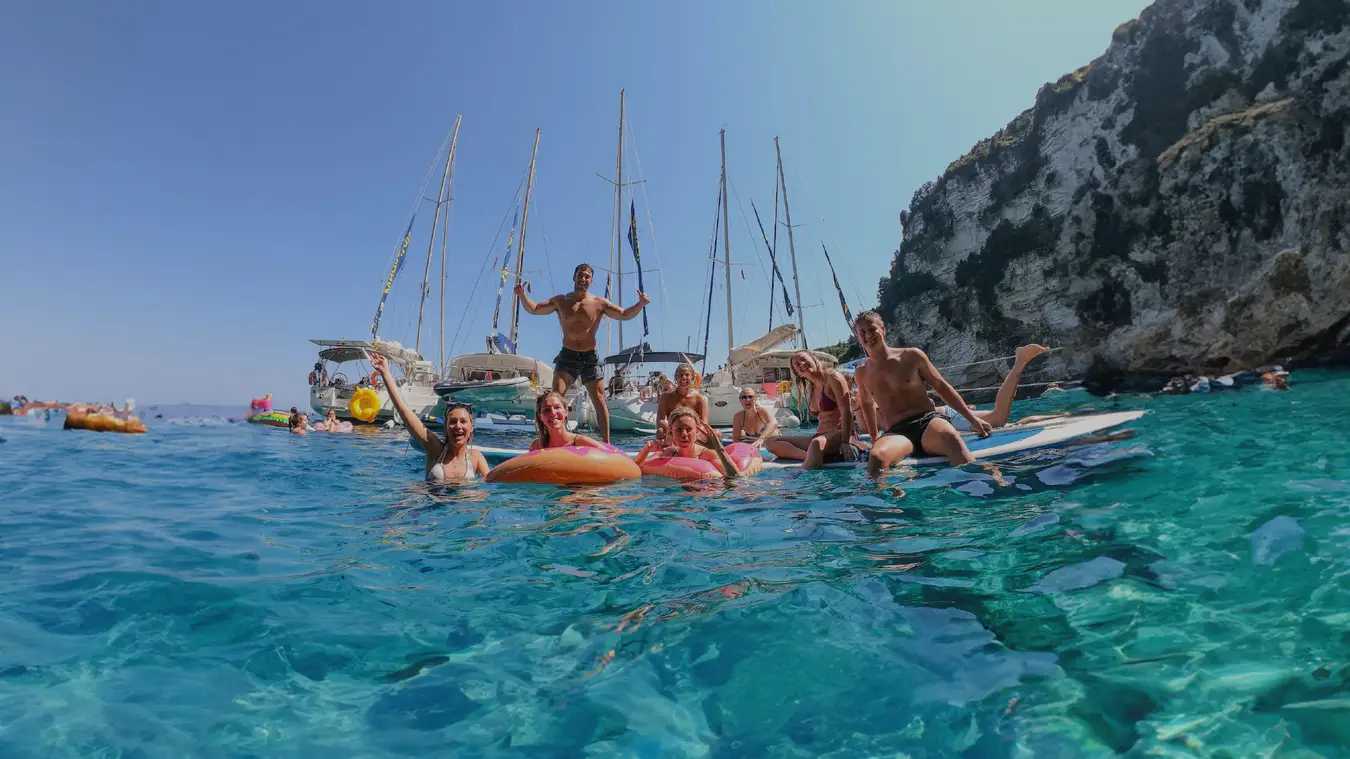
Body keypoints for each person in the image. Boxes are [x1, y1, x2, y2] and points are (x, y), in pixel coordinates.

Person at [515, 263, 650, 443]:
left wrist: (640, 304)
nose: (583, 279)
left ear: (591, 280)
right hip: (567, 356)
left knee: (600, 400)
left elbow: (625, 314)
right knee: (554, 398)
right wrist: (522, 295)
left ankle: (607, 444)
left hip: (590, 358)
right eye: (580, 275)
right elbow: (534, 309)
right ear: (574, 277)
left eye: (587, 276)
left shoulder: (599, 303)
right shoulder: (561, 301)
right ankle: (551, 441)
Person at [852, 311, 991, 475]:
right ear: (858, 338)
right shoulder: (861, 372)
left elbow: (942, 388)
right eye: (862, 332)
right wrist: (875, 437)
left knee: (950, 437)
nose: (868, 335)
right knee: (876, 457)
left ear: (883, 329)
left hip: (928, 422)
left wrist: (972, 419)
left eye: (872, 329)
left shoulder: (911, 356)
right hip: (897, 432)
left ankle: (985, 485)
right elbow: (866, 404)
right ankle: (885, 499)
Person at [371, 353, 490, 482]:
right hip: (431, 500)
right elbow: (404, 412)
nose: (458, 426)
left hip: (466, 501)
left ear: (471, 427)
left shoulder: (476, 458)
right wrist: (385, 372)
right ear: (446, 426)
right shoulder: (434, 448)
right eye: (453, 421)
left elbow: (491, 485)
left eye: (463, 421)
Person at [764, 351, 857, 469]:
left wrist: (845, 442)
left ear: (814, 359)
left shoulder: (832, 377)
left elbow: (846, 410)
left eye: (803, 359)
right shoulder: (810, 387)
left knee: (816, 444)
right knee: (770, 442)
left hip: (840, 434)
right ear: (797, 373)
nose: (801, 364)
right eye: (797, 364)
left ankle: (804, 478)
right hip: (820, 436)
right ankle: (808, 457)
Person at [934, 344, 1053, 430]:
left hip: (945, 417)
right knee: (1007, 426)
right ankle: (1061, 418)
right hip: (945, 416)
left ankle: (1021, 361)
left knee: (998, 417)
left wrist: (963, 410)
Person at [635, 406, 743, 477]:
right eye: (679, 430)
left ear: (697, 431)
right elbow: (634, 469)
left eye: (689, 429)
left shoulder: (708, 455)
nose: (684, 434)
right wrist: (646, 449)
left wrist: (719, 448)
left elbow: (735, 478)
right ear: (671, 432)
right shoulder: (669, 452)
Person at [530, 391, 606, 451]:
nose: (552, 413)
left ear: (566, 412)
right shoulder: (536, 446)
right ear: (540, 417)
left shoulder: (582, 443)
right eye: (546, 410)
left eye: (557, 407)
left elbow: (611, 458)